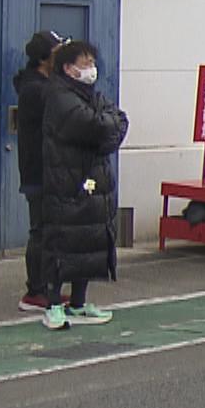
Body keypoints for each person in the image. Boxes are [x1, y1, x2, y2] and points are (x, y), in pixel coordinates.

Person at [37, 40, 130, 331]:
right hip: (67, 183)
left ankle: (78, 302)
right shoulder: (59, 96)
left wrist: (107, 129)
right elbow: (93, 125)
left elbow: (118, 122)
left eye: (92, 62)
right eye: (84, 63)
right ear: (68, 68)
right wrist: (106, 128)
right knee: (62, 243)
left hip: (94, 181)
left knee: (88, 242)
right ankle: (53, 303)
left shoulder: (92, 95)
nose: (91, 69)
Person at [13, 30, 64, 312]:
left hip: (48, 170)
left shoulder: (43, 84)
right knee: (41, 231)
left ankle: (48, 287)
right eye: (57, 52)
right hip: (39, 171)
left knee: (51, 230)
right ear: (45, 58)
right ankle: (35, 290)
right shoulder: (36, 89)